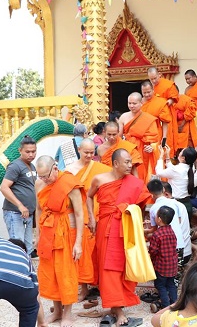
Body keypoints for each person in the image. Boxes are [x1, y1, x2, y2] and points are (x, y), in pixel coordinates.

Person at [86, 148, 151, 326]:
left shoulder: (135, 183)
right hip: (106, 227)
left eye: (131, 162)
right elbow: (88, 197)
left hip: (126, 229)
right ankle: (117, 309)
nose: (131, 165)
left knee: (124, 265)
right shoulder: (99, 179)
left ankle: (117, 304)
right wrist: (92, 218)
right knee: (108, 267)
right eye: (127, 162)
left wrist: (137, 221)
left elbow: (141, 205)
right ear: (116, 164)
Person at [35, 155, 85, 327]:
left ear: (55, 168)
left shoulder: (69, 183)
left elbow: (79, 214)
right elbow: (38, 209)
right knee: (50, 274)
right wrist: (37, 235)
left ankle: (67, 313)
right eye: (40, 176)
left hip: (65, 233)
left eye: (46, 176)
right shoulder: (40, 184)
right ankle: (56, 311)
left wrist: (78, 243)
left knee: (66, 274)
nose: (44, 180)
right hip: (47, 233)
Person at [65, 138, 111, 302]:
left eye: (92, 152)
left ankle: (100, 284)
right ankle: (83, 287)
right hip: (80, 216)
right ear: (79, 150)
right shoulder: (70, 170)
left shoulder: (100, 169)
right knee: (82, 253)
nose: (90, 156)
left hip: (99, 212)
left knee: (99, 251)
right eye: (86, 152)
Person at [0, 135, 37, 257]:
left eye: (33, 151)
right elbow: (4, 188)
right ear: (20, 151)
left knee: (29, 248)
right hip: (15, 213)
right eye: (27, 152)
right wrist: (20, 205)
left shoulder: (32, 166)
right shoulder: (15, 166)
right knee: (18, 246)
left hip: (28, 213)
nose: (31, 154)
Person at [146, 180, 187, 285]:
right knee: (175, 278)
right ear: (163, 190)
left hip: (164, 247)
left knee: (162, 277)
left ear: (151, 194)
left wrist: (142, 231)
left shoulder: (154, 208)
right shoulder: (174, 203)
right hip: (179, 243)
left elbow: (153, 229)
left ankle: (164, 297)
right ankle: (175, 298)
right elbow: (178, 221)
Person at [118, 92, 160, 183]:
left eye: (134, 103)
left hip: (143, 151)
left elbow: (155, 138)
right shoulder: (123, 117)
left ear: (141, 103)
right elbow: (119, 137)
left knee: (141, 173)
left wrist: (152, 146)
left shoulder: (148, 118)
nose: (131, 106)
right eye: (129, 103)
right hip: (128, 149)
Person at [148, 206, 179, 311]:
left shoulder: (157, 234)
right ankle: (175, 305)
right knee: (171, 285)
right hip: (172, 265)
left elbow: (153, 251)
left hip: (161, 266)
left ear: (159, 219)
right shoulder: (172, 232)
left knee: (161, 286)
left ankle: (165, 306)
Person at [156, 146, 197, 220]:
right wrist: (167, 156)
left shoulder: (176, 169)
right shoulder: (191, 167)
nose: (179, 152)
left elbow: (159, 173)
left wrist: (161, 157)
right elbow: (173, 171)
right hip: (187, 204)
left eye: (181, 152)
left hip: (176, 205)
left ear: (183, 158)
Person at [161, 182, 192, 277]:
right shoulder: (180, 205)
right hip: (186, 252)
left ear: (166, 194)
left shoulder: (168, 208)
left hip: (177, 254)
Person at [140, 80, 173, 152]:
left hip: (155, 134)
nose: (146, 95)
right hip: (141, 135)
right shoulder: (138, 103)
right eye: (144, 93)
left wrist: (164, 137)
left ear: (153, 90)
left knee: (156, 156)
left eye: (148, 92)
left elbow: (165, 122)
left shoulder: (160, 102)